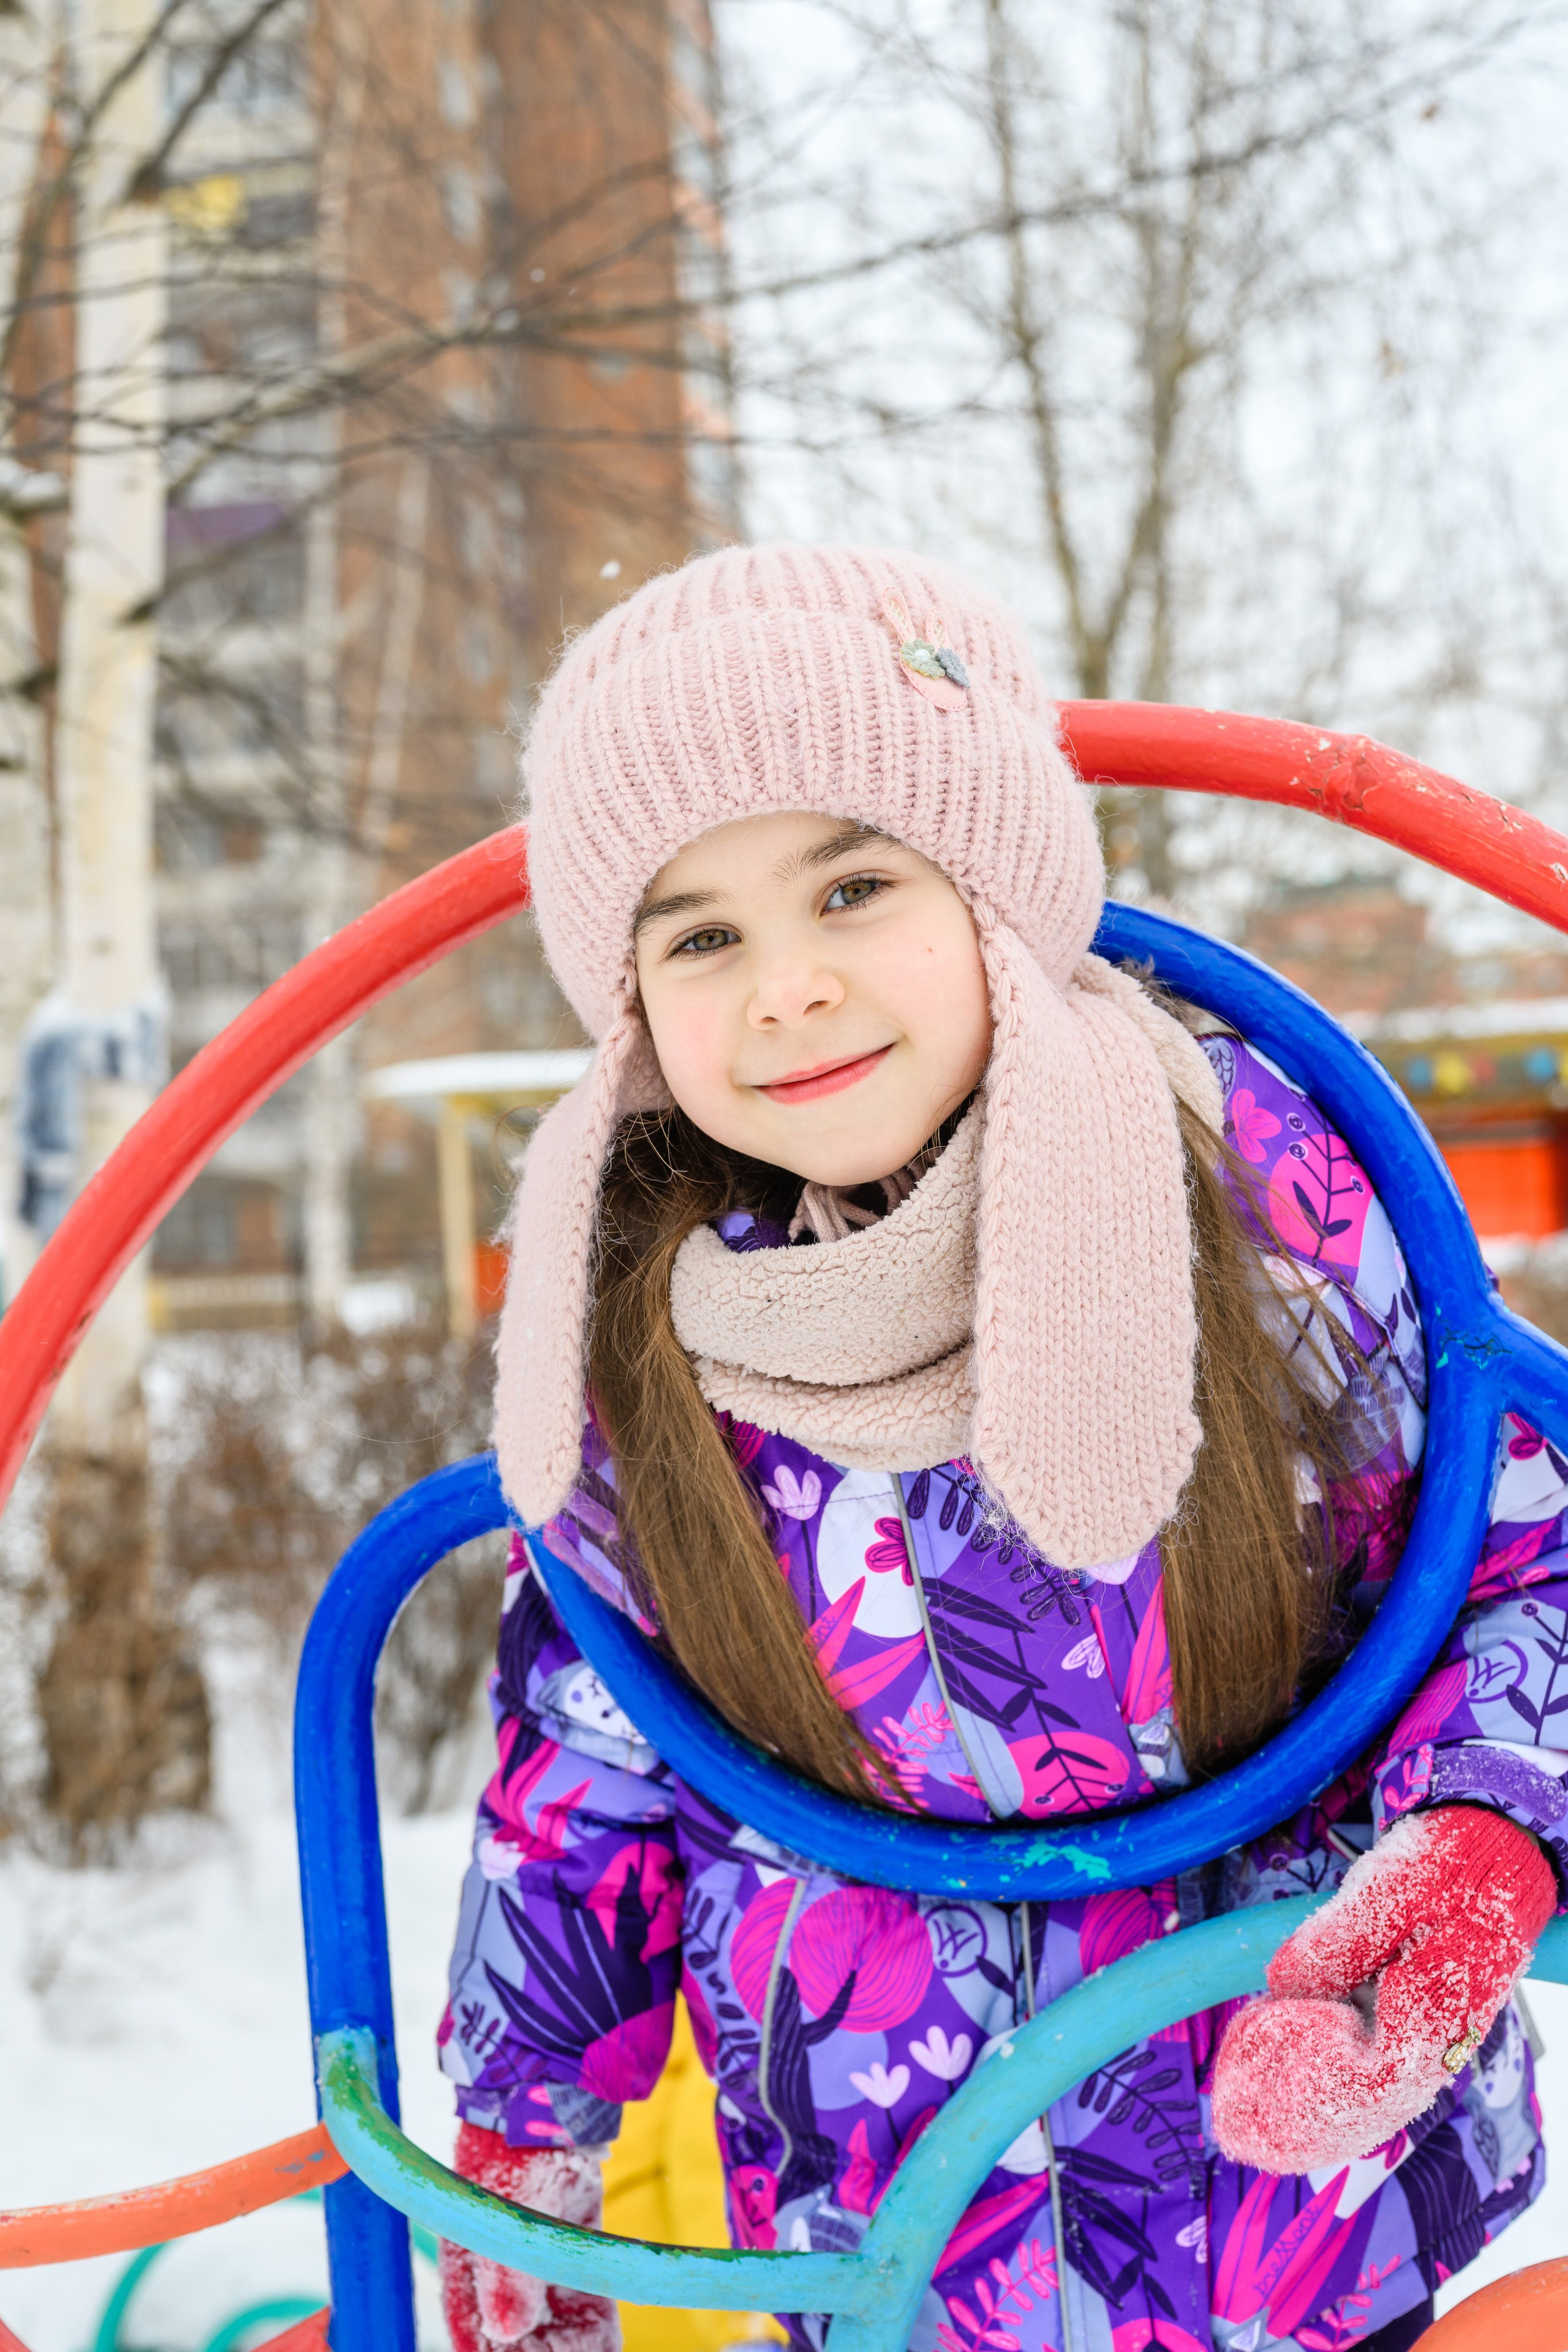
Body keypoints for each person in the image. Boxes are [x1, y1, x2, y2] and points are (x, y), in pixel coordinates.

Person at [436, 546, 1565, 2352]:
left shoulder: (1259, 1197)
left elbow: (1521, 1560)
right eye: (702, 933)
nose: (785, 989)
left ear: (995, 883)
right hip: (890, 2218)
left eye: (854, 886)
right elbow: (592, 1742)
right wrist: (526, 2123)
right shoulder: (634, 1315)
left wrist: (1475, 1849)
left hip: (1297, 2214)